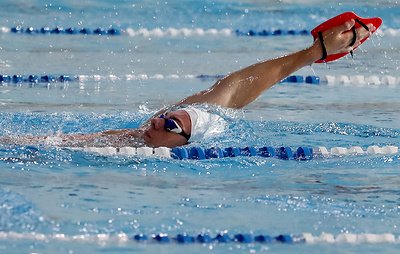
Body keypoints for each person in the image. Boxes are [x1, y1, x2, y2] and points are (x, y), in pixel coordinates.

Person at [2, 19, 374, 148]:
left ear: (185, 143)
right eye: (167, 116)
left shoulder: (172, 141)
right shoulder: (189, 118)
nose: (157, 121)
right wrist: (314, 51)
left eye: (169, 124)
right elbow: (252, 79)